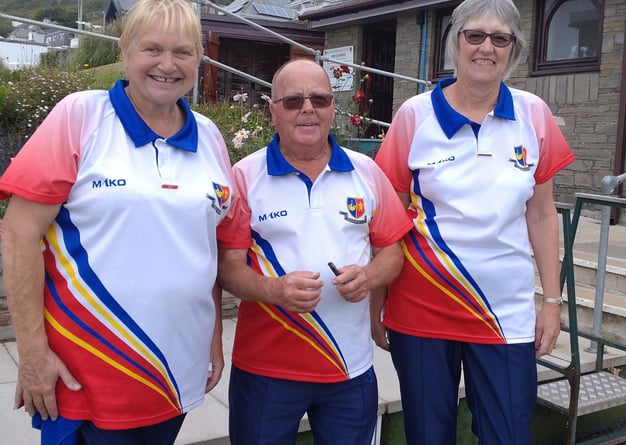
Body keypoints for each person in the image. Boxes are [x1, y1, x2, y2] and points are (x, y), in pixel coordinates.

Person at [0, 0, 235, 443]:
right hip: (87, 373)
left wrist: (214, 336)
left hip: (175, 372)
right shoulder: (81, 116)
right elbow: (18, 232)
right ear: (125, 51)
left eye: (183, 52)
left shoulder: (210, 135)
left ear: (199, 59)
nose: (167, 65)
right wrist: (32, 353)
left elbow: (210, 246)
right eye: (152, 49)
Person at [371, 0, 576, 444]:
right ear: (455, 41)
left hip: (504, 314)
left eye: (500, 38)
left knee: (507, 436)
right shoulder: (414, 116)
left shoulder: (534, 114)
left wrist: (553, 302)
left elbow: (541, 214)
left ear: (514, 49)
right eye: (475, 36)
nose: (487, 47)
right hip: (422, 309)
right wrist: (377, 304)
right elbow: (387, 223)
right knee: (429, 436)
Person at [217, 58, 413, 444]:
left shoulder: (367, 172)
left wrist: (369, 277)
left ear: (332, 109)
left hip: (348, 368)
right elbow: (227, 269)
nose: (308, 109)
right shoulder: (244, 176)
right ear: (273, 112)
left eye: (319, 99)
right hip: (265, 369)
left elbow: (393, 252)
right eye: (293, 101)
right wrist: (274, 291)